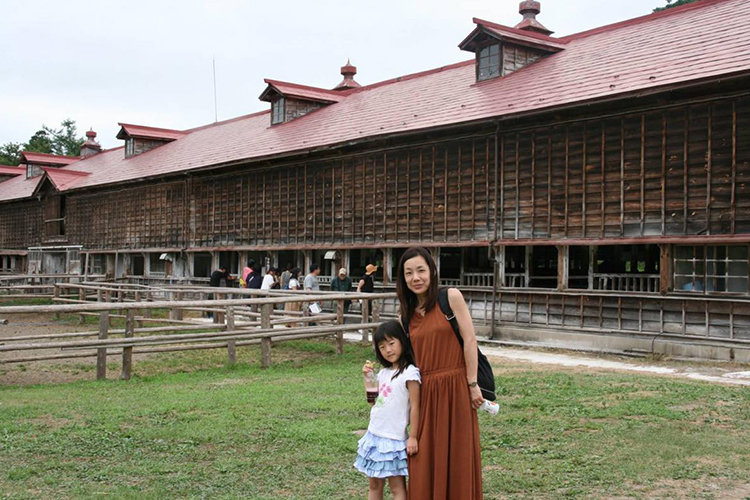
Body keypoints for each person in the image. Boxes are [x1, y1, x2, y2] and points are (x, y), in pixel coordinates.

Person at [397, 247, 483, 500]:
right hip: (426, 392)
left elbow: (469, 339)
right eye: (409, 273)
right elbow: (406, 361)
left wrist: (472, 383)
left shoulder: (450, 297)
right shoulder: (406, 316)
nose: (416, 278)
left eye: (421, 270)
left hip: (456, 386)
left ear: (432, 272)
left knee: (458, 453)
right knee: (423, 456)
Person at [355, 320, 421, 500]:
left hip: (394, 439)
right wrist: (368, 378)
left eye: (392, 343)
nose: (388, 350)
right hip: (374, 435)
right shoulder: (383, 373)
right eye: (382, 347)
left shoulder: (410, 372)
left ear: (402, 341)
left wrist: (413, 436)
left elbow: (416, 406)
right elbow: (373, 401)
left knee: (397, 487)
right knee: (374, 485)